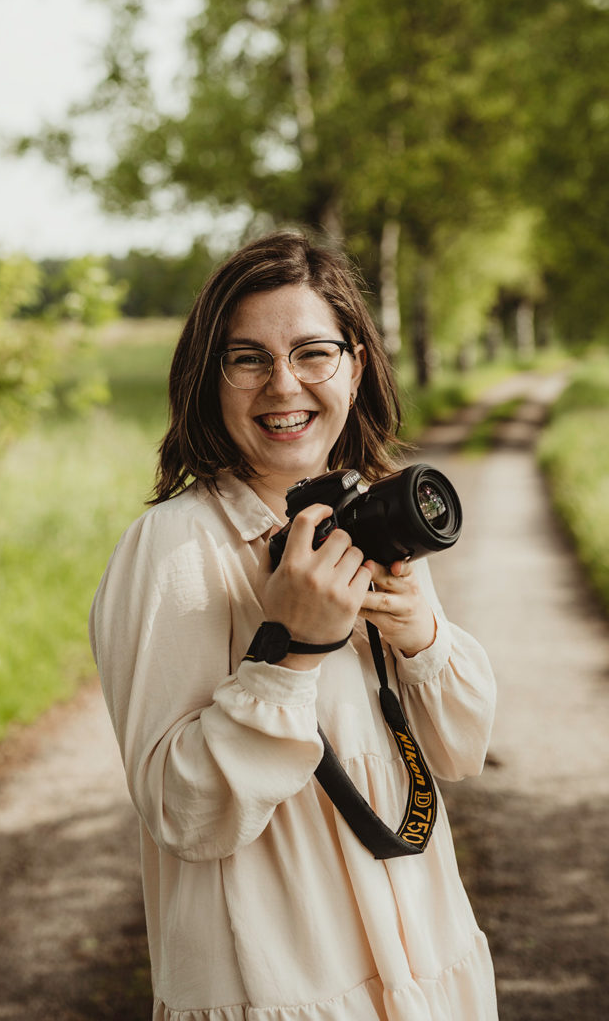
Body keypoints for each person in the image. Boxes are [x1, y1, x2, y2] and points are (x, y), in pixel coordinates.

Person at [89, 231, 499, 1021]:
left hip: (431, 977)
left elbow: (460, 748)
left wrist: (419, 635)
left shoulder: (366, 514)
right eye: (247, 359)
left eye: (313, 352)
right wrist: (290, 652)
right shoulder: (176, 548)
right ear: (209, 380)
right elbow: (183, 813)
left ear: (355, 363)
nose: (284, 386)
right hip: (281, 990)